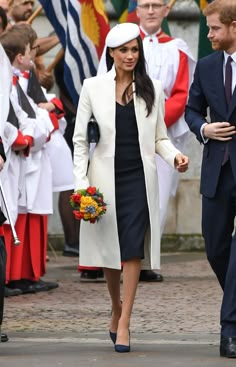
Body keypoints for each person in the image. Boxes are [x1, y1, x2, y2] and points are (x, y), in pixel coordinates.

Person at [73, 22, 189, 353]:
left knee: (132, 249)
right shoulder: (92, 87)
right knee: (110, 250)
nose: (130, 55)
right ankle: (114, 305)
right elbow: (80, 141)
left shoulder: (152, 87)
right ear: (111, 53)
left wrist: (176, 156)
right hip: (104, 181)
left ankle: (125, 321)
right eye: (124, 50)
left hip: (140, 177)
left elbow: (160, 139)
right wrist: (81, 185)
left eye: (135, 49)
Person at [97, 0, 196, 283]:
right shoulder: (117, 43)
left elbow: (180, 92)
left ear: (167, 10)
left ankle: (143, 260)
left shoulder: (177, 48)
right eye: (145, 5)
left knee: (157, 201)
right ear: (136, 10)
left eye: (157, 5)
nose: (151, 10)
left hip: (159, 133)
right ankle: (118, 258)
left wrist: (153, 121)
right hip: (121, 137)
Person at [185, 0, 236, 358]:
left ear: (234, 27)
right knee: (216, 246)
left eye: (215, 28)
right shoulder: (205, 66)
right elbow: (191, 109)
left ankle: (229, 329)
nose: (209, 34)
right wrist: (203, 127)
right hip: (217, 170)